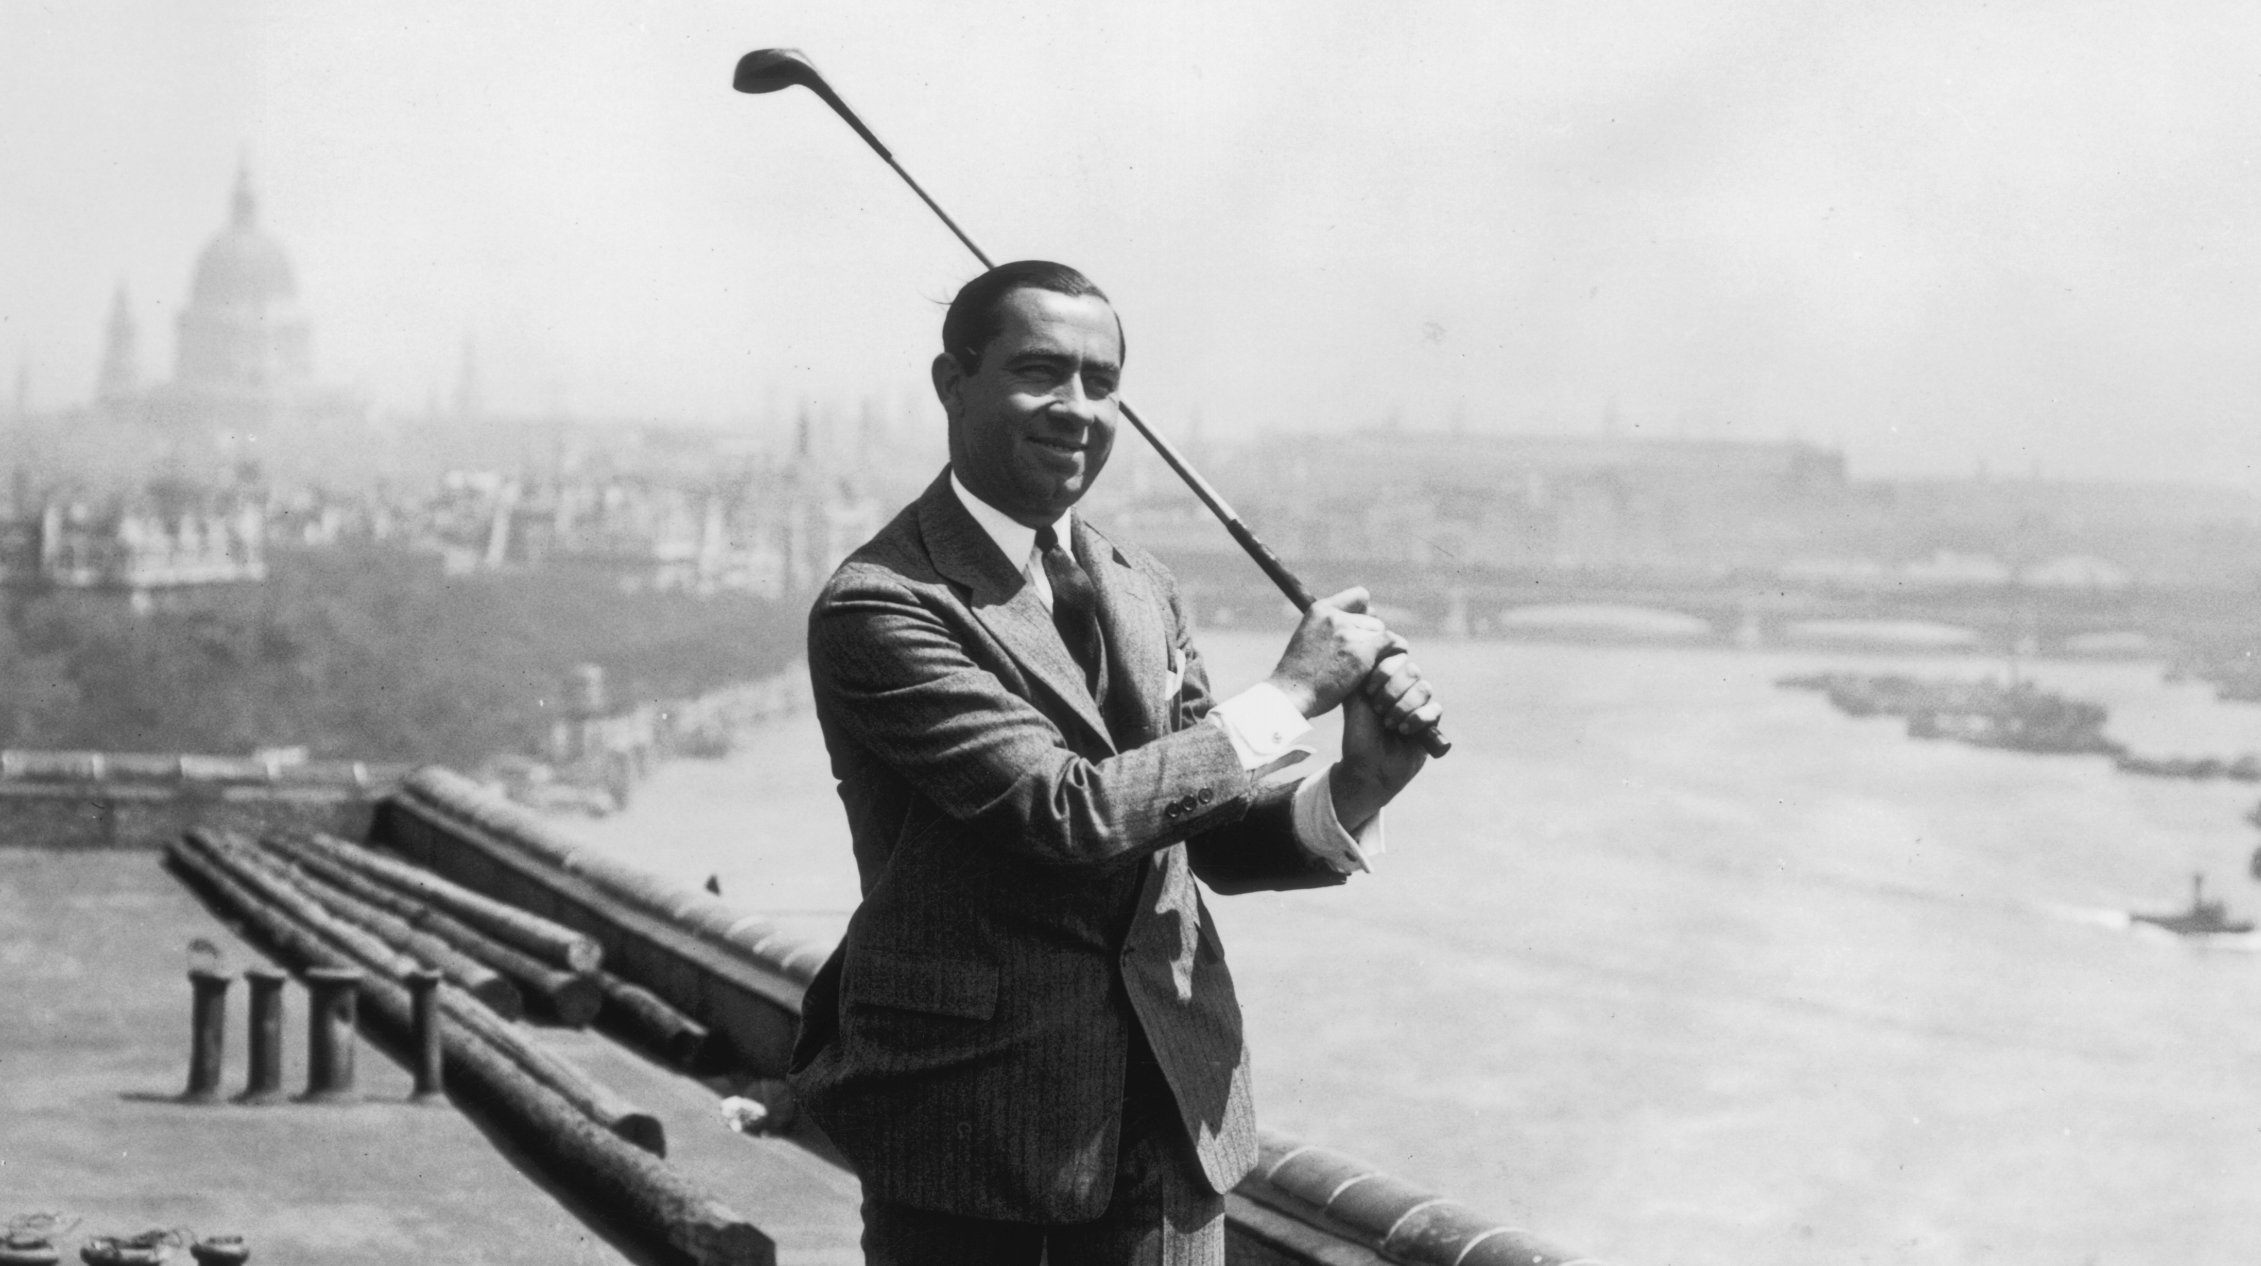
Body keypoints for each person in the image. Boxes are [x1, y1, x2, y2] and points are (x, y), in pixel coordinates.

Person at [792, 260, 1443, 1265]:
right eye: (1041, 372)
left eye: (1102, 382)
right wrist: (1292, 694)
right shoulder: (885, 601)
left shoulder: (1143, 584)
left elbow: (1200, 836)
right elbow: (1067, 813)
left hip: (1172, 1121)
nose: (1077, 408)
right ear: (949, 383)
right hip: (976, 1133)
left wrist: (1359, 783)